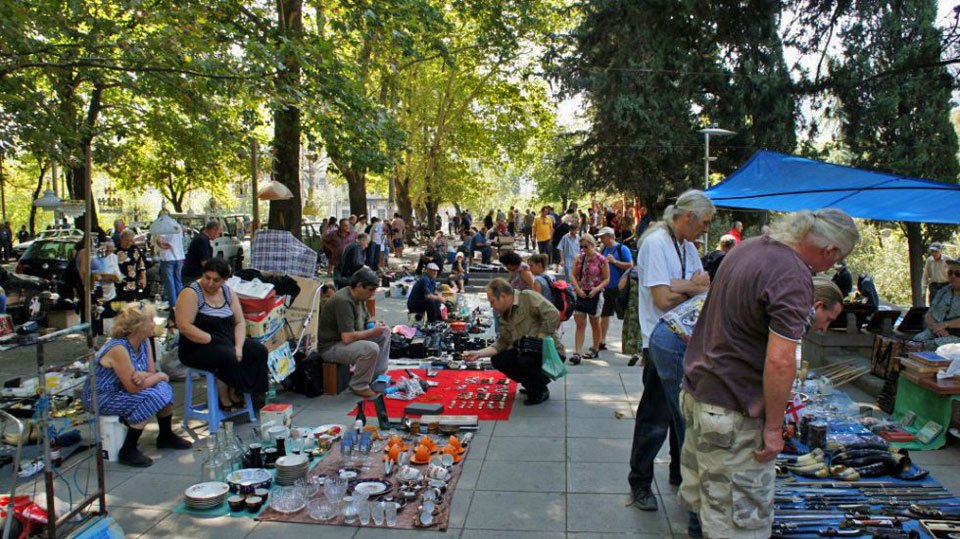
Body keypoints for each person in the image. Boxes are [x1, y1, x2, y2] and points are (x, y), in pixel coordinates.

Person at [679, 208, 858, 538]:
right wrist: (774, 428)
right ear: (830, 249)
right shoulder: (791, 274)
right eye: (837, 259)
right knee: (738, 525)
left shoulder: (750, 247)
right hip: (732, 408)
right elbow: (780, 361)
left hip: (702, 392)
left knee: (710, 509)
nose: (832, 267)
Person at [630, 278, 844, 513]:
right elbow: (775, 362)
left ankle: (675, 483)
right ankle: (696, 512)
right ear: (818, 306)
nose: (825, 329)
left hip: (670, 333)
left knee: (666, 415)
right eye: (829, 320)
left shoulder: (779, 291)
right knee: (692, 424)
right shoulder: (795, 310)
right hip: (677, 340)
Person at [628, 190, 713, 510]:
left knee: (685, 413)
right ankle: (639, 483)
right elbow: (663, 299)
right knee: (655, 418)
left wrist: (681, 285)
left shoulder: (686, 244)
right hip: (659, 341)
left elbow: (701, 285)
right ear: (687, 216)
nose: (706, 229)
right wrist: (689, 286)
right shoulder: (655, 243)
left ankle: (679, 473)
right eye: (704, 222)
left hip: (686, 341)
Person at [82, 302, 192, 467]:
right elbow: (134, 387)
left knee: (163, 388)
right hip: (101, 396)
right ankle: (128, 448)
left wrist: (148, 376)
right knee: (153, 395)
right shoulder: (118, 348)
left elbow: (150, 372)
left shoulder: (144, 341)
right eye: (150, 321)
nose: (154, 324)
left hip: (122, 389)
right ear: (138, 326)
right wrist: (158, 376)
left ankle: (166, 435)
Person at [176, 258, 270, 409]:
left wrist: (239, 347)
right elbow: (184, 325)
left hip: (226, 339)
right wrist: (210, 339)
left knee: (258, 351)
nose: (210, 283)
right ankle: (226, 394)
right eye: (207, 278)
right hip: (197, 345)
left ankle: (249, 393)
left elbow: (239, 322)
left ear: (224, 280)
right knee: (227, 355)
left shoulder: (227, 292)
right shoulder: (191, 292)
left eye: (216, 280)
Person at [463, 279, 564, 405]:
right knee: (498, 359)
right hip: (528, 355)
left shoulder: (527, 297)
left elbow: (553, 314)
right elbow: (502, 343)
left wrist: (538, 337)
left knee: (526, 358)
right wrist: (478, 353)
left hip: (550, 354)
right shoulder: (505, 315)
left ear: (503, 296)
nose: (491, 306)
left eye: (492, 301)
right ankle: (532, 384)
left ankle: (539, 390)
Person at [316, 267, 391, 398]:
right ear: (359, 286)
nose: (372, 294)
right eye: (371, 290)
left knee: (385, 332)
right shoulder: (343, 301)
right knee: (370, 348)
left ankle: (377, 376)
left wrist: (375, 325)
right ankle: (359, 385)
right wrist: (372, 331)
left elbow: (367, 320)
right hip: (331, 347)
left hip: (348, 340)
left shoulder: (359, 297)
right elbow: (347, 338)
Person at [570, 233, 609, 364]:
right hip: (581, 293)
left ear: (592, 245)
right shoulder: (579, 258)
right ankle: (577, 352)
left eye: (586, 246)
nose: (583, 249)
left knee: (594, 322)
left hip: (595, 294)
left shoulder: (602, 259)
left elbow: (607, 278)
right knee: (580, 323)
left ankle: (595, 348)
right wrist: (578, 289)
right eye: (581, 247)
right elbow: (573, 275)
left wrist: (597, 289)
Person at [598, 226, 634, 352]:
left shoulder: (622, 249)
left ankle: (629, 341)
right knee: (604, 314)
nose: (601, 239)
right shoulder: (604, 249)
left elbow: (630, 265)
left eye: (602, 237)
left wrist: (614, 262)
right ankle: (602, 341)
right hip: (606, 287)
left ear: (609, 236)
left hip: (619, 287)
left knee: (623, 314)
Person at [912, 259, 960, 351]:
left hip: (957, 337)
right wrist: (937, 328)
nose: (953, 276)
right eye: (950, 273)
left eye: (958, 274)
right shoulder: (943, 291)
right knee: (916, 341)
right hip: (937, 331)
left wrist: (945, 324)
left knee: (933, 346)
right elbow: (929, 314)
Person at [155, 228, 186, 305]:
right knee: (178, 281)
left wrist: (162, 245)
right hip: (179, 256)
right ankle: (181, 304)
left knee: (170, 283)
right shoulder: (177, 226)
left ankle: (173, 306)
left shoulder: (163, 227)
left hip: (168, 257)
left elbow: (159, 241)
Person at [116, 229, 147, 303]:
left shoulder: (134, 249)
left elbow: (141, 264)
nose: (129, 242)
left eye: (131, 240)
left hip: (133, 283)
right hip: (119, 284)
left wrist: (143, 278)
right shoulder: (115, 250)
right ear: (121, 239)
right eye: (126, 240)